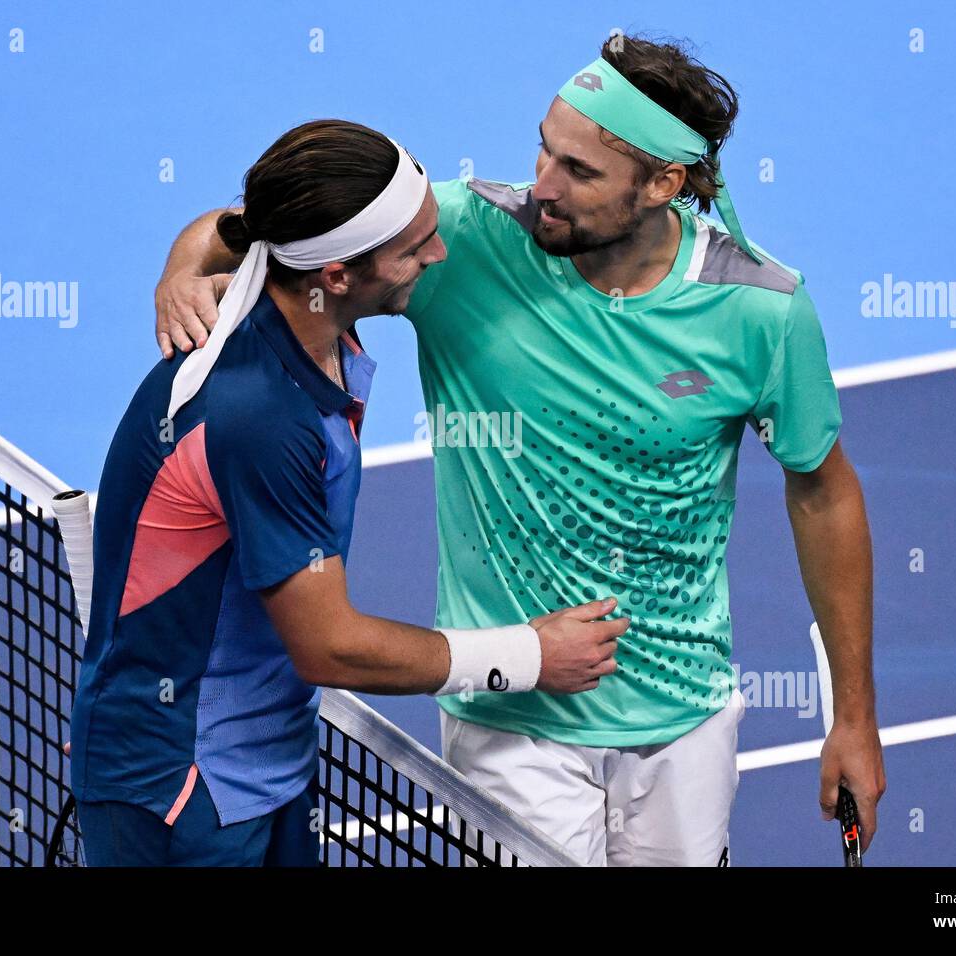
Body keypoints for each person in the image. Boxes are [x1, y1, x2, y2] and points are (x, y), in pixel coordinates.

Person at [153, 35, 886, 866]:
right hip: (510, 723)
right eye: (545, 147)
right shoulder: (462, 240)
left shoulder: (759, 309)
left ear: (663, 184)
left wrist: (854, 719)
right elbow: (260, 228)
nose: (544, 185)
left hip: (684, 715)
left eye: (580, 171)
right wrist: (183, 269)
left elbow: (823, 493)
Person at [70, 119, 626, 867]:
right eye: (413, 249)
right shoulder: (259, 416)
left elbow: (231, 224)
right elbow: (329, 646)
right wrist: (528, 656)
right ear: (335, 276)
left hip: (268, 764)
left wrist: (181, 264)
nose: (439, 254)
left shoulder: (300, 303)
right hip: (180, 788)